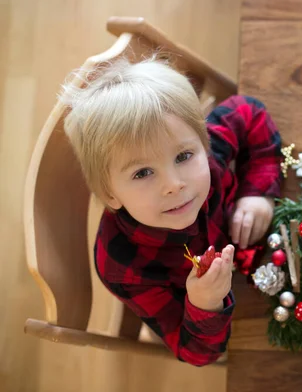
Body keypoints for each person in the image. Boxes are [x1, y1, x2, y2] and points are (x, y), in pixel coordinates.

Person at [62, 57, 283, 365]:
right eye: (142, 173)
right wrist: (204, 302)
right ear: (110, 194)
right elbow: (196, 352)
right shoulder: (123, 264)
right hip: (204, 304)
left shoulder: (210, 152)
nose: (174, 184)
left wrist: (257, 193)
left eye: (183, 156)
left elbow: (249, 111)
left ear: (203, 141)